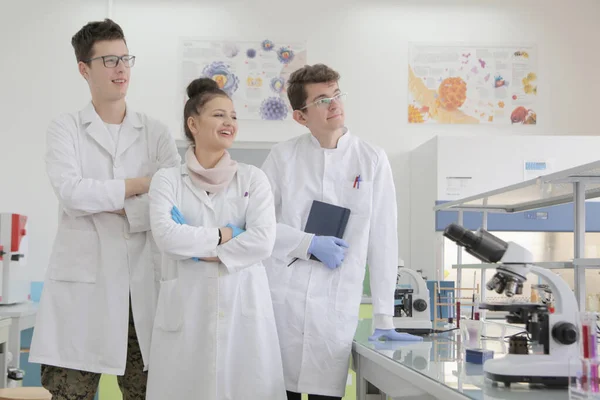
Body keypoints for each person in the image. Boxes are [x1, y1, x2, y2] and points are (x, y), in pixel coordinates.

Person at [29, 19, 181, 399]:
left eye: (126, 58)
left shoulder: (156, 132)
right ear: (84, 69)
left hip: (142, 291)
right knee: (71, 394)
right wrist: (141, 185)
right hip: (83, 295)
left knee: (147, 391)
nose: (122, 68)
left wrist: (118, 204)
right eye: (110, 60)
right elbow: (72, 193)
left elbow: (175, 200)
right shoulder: (65, 129)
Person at [261, 64, 421, 400]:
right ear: (301, 117)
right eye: (321, 99)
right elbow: (257, 226)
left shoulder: (372, 159)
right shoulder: (283, 157)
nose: (334, 104)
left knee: (325, 393)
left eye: (336, 95)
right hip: (282, 306)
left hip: (333, 310)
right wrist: (306, 243)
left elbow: (383, 240)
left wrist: (384, 317)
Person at [145, 77, 287, 400]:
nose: (229, 122)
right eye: (219, 115)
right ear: (192, 123)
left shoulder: (254, 178)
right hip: (186, 316)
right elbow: (167, 237)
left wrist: (197, 246)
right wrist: (225, 236)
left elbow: (263, 241)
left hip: (243, 313)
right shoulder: (167, 180)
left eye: (234, 116)